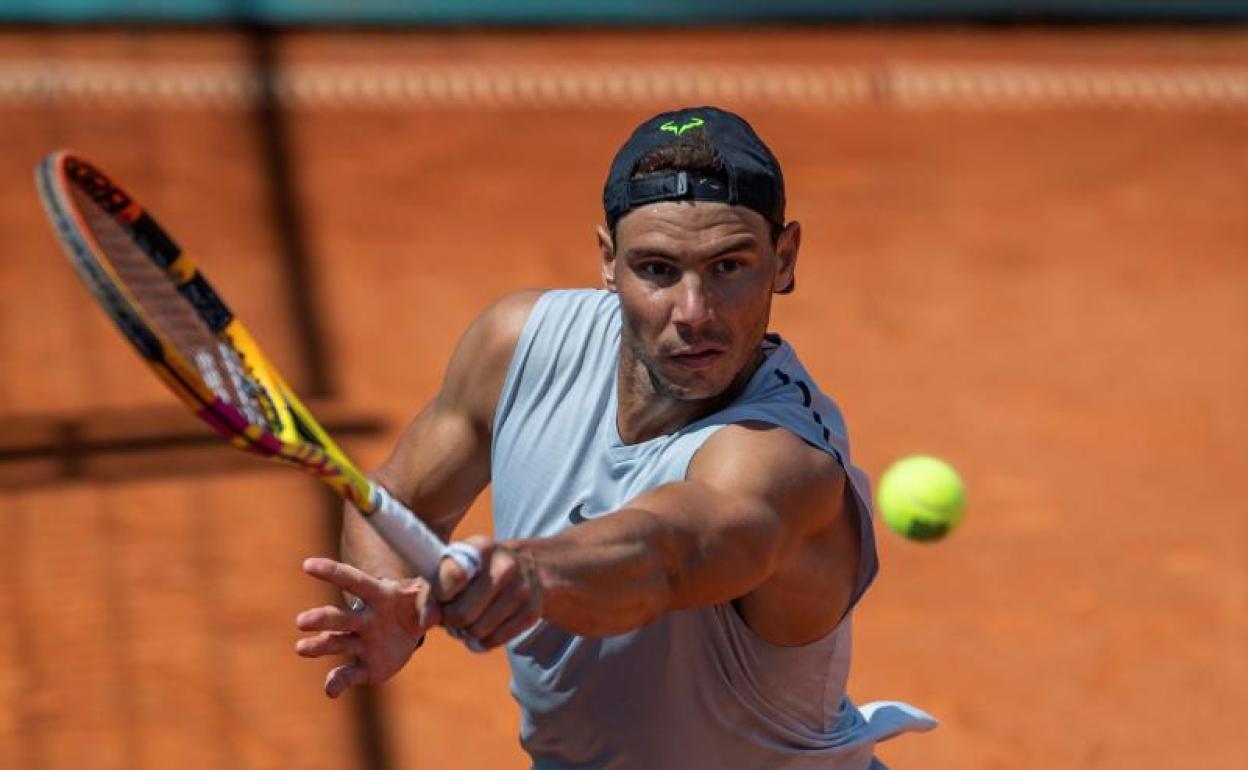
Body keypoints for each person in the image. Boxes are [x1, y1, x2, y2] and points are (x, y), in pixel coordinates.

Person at [294, 106, 935, 768]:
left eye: (729, 266)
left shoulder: (781, 459)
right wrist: (387, 599)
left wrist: (532, 573)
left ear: (785, 259)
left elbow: (666, 556)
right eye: (657, 269)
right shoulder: (519, 348)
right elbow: (400, 496)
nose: (693, 313)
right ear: (608, 261)